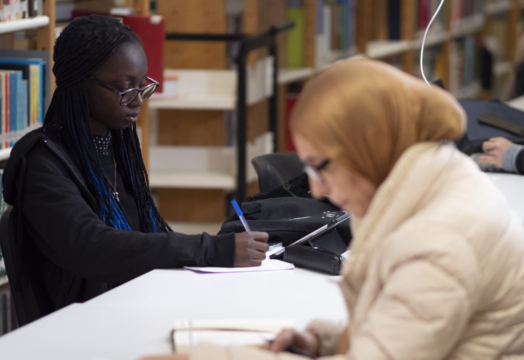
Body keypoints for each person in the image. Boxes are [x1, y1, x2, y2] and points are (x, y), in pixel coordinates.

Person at [148, 59, 524, 360]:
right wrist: (324, 343)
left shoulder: (439, 238)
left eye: (321, 166)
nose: (315, 188)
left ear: (368, 150)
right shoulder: (434, 186)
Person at [2, 15, 269, 323]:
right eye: (123, 88)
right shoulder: (41, 163)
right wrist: (211, 249)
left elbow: (144, 236)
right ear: (80, 84)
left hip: (132, 304)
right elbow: (92, 246)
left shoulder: (118, 147)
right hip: (82, 326)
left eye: (142, 86)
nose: (138, 100)